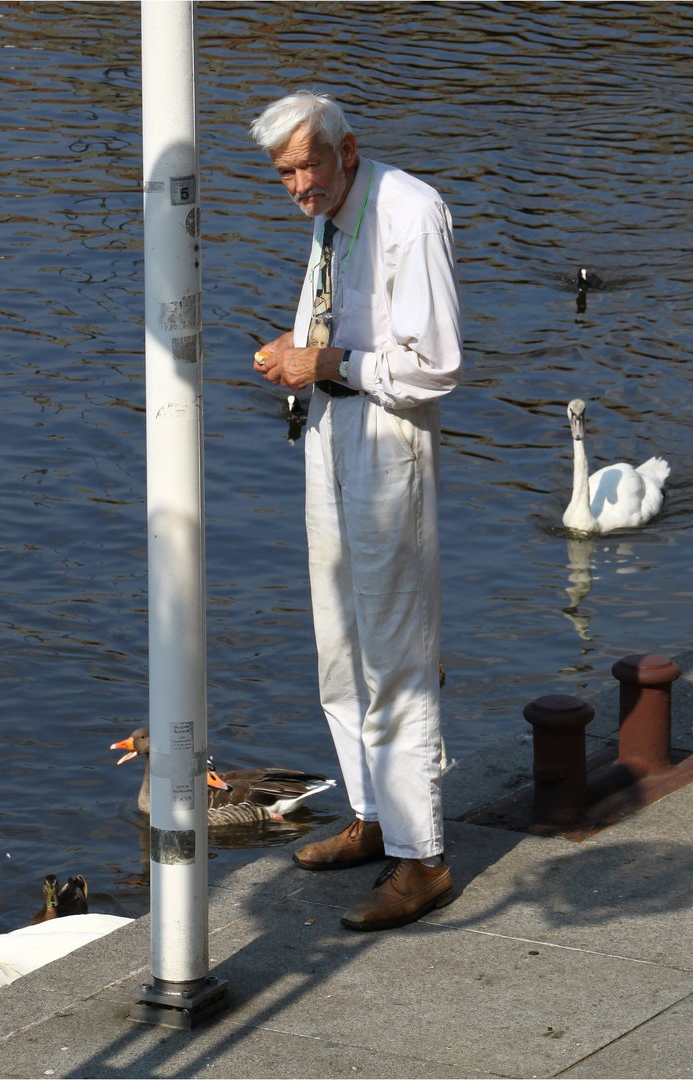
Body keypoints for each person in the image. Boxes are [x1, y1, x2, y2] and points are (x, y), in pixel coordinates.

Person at [249, 91, 463, 931]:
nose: (299, 185)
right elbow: (338, 319)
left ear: (348, 148)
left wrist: (327, 359)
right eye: (284, 172)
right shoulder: (333, 210)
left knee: (397, 650)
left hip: (388, 441)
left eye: (309, 165)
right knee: (338, 642)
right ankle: (375, 814)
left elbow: (436, 364)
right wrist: (302, 354)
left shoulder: (410, 212)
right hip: (332, 431)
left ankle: (425, 858)